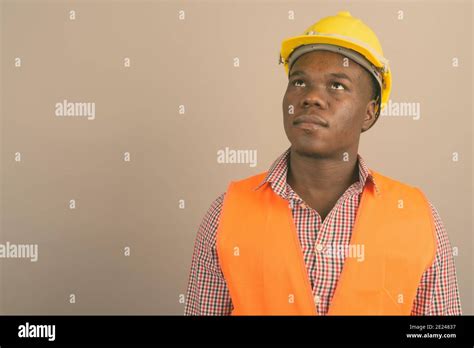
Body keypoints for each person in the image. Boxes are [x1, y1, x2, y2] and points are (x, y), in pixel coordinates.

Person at [184, 11, 462, 315]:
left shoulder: (418, 219)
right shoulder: (226, 215)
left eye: (337, 86)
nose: (312, 97)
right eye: (299, 82)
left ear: (369, 113)